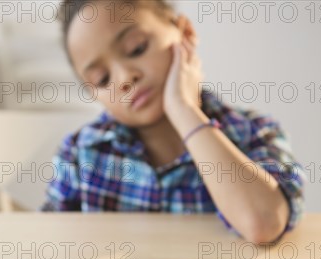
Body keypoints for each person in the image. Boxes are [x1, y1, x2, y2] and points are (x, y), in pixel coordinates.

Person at [42, 0, 304, 244]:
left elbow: (263, 224)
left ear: (185, 32)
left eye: (137, 48)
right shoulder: (79, 154)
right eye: (101, 79)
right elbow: (52, 245)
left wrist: (184, 110)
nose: (123, 78)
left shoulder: (254, 131)